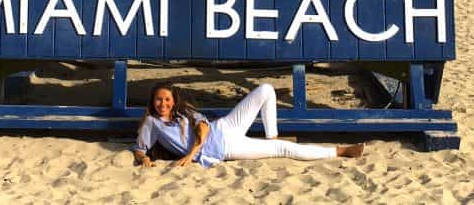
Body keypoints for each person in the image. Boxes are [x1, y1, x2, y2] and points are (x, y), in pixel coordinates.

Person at [133, 82, 364, 168]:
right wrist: (144, 159)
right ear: (153, 102)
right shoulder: (151, 123)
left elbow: (203, 126)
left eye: (167, 99)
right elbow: (140, 149)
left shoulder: (183, 112)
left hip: (223, 127)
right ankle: (341, 151)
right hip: (224, 148)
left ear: (173, 101)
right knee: (284, 149)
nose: (163, 103)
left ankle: (271, 138)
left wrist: (191, 152)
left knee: (266, 89)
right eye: (159, 99)